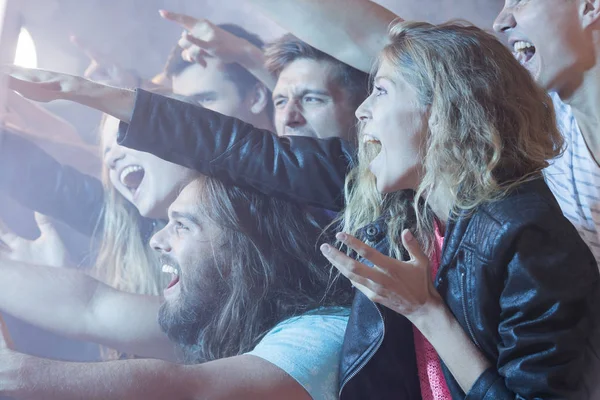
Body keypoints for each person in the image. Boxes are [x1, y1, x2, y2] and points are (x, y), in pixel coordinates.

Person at [0, 175, 352, 400]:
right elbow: (91, 307)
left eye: (182, 226)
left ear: (244, 246)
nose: (156, 240)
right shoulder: (221, 317)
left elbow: (187, 390)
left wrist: (16, 375)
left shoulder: (324, 332)